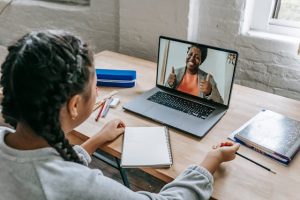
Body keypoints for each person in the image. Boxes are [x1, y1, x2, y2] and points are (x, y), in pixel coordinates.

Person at [0, 30, 239, 200]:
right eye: (96, 84)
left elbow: (50, 164)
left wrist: (94, 141)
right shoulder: (79, 186)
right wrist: (211, 160)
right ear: (74, 105)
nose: (98, 90)